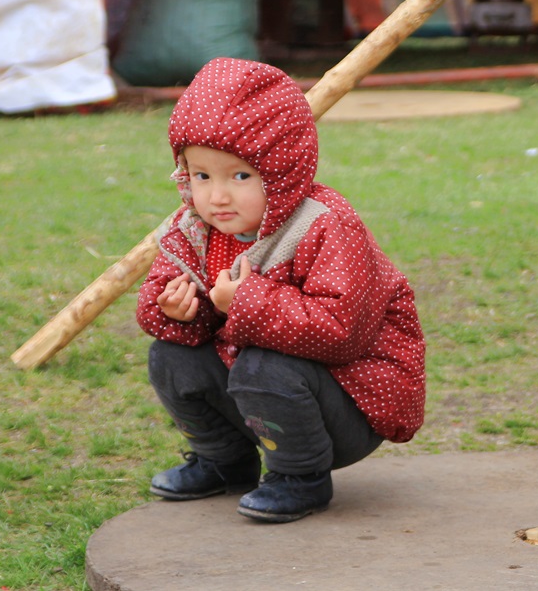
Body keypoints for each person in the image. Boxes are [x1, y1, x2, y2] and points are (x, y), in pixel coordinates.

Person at [136, 57, 426, 523]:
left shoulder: (325, 227)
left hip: (348, 406)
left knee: (263, 365)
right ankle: (224, 460)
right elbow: (158, 298)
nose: (218, 196)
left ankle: (301, 476)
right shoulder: (193, 229)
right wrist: (176, 311)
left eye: (241, 175)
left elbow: (340, 331)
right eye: (201, 175)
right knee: (169, 355)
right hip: (258, 401)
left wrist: (244, 303)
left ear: (281, 170)